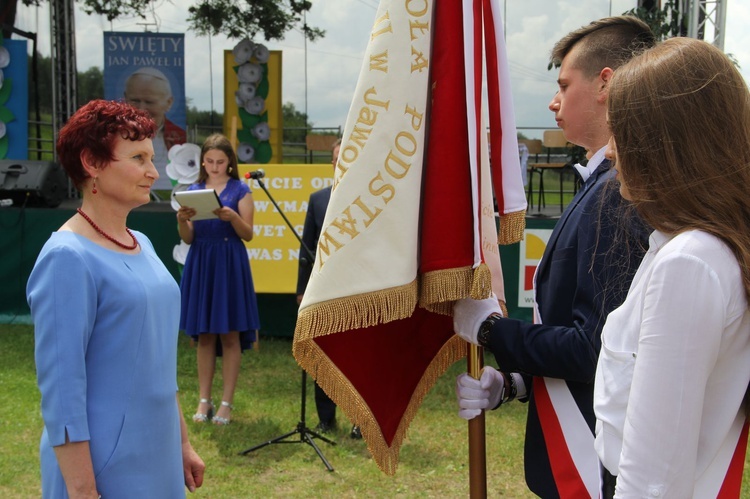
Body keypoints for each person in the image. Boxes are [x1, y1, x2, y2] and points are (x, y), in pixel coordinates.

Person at [452, 16, 655, 497]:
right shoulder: (601, 183)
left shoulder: (618, 193)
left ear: (605, 83)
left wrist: (490, 330)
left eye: (564, 83)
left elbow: (597, 349)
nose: (553, 100)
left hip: (594, 462)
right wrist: (516, 382)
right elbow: (572, 318)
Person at [593, 37, 750, 498]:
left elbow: (653, 483)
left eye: (620, 131)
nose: (609, 152)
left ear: (663, 146)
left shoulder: (690, 262)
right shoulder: (692, 249)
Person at [26, 99, 204, 497]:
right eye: (138, 157)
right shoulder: (66, 257)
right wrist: (83, 489)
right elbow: (62, 389)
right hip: (103, 461)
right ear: (91, 162)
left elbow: (157, 363)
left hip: (156, 452)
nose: (153, 172)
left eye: (152, 157)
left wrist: (181, 443)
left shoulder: (142, 243)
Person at [177, 133, 260, 426]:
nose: (214, 166)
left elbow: (248, 233)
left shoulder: (241, 190)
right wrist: (181, 220)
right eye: (209, 161)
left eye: (220, 162)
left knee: (230, 333)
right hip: (202, 261)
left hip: (229, 261)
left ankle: (226, 402)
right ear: (203, 162)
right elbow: (188, 237)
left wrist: (232, 218)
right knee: (204, 334)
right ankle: (204, 399)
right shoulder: (194, 190)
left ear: (230, 163)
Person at [295, 139, 361, 439]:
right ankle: (326, 418)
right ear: (331, 163)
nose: (339, 163)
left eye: (345, 158)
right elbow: (306, 248)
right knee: (323, 357)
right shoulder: (318, 199)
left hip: (360, 287)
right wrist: (301, 291)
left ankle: (362, 420)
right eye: (335, 159)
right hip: (323, 290)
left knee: (358, 356)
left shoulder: (368, 197)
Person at [123, 67, 187, 191]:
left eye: (149, 102)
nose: (141, 108)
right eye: (135, 100)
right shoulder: (115, 137)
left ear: (168, 103)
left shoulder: (179, 137)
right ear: (125, 98)